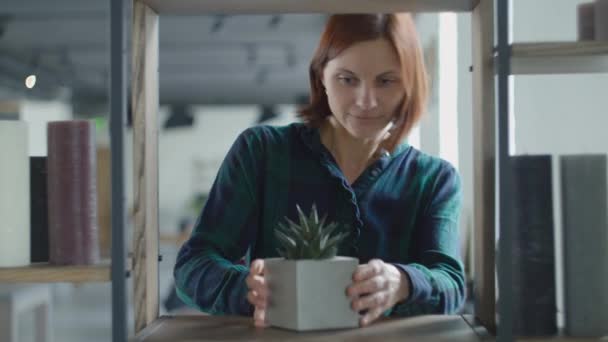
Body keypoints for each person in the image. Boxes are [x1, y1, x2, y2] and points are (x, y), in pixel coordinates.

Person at [173, 13, 465, 328]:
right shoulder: (261, 152)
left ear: (410, 83)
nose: (366, 101)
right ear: (321, 77)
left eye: (386, 80)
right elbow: (194, 264)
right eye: (348, 79)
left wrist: (403, 283)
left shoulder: (435, 179)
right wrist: (243, 288)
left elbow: (452, 284)